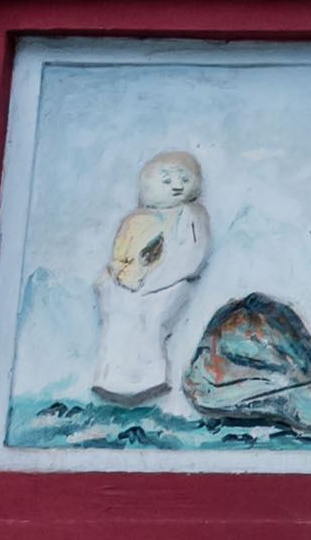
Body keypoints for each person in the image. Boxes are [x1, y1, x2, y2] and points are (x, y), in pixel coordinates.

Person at [87, 149, 218, 400]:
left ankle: (147, 379)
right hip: (131, 281)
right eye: (167, 180)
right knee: (119, 310)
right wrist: (120, 274)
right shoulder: (136, 218)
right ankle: (111, 378)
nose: (177, 186)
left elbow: (190, 257)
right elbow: (121, 252)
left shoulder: (191, 214)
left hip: (163, 283)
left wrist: (149, 281)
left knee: (146, 317)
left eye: (184, 179)